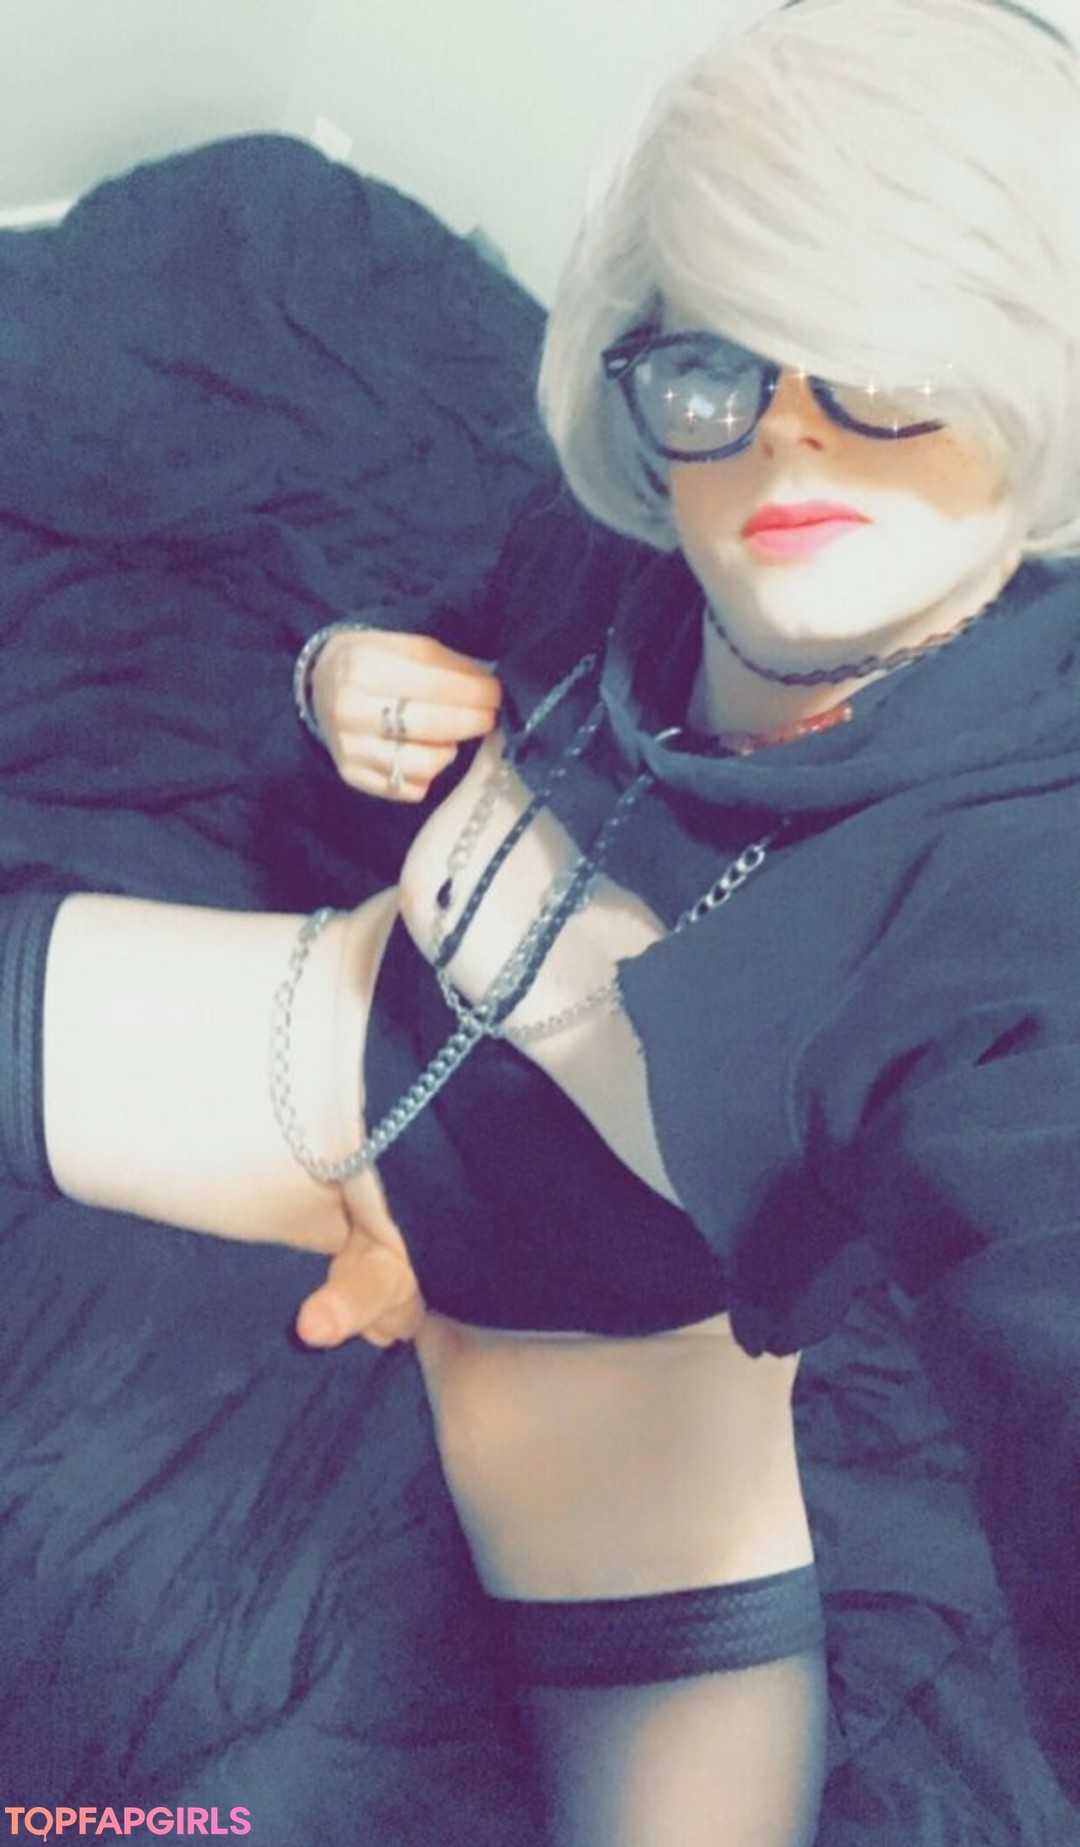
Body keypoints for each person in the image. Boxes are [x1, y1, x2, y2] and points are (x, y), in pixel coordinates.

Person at [2, 0, 1078, 1838]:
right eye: (722, 364)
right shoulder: (632, 541)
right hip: (334, 1047)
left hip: (613, 1359)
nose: (789, 442)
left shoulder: (1009, 883)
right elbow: (441, 662)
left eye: (886, 369)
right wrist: (340, 675)